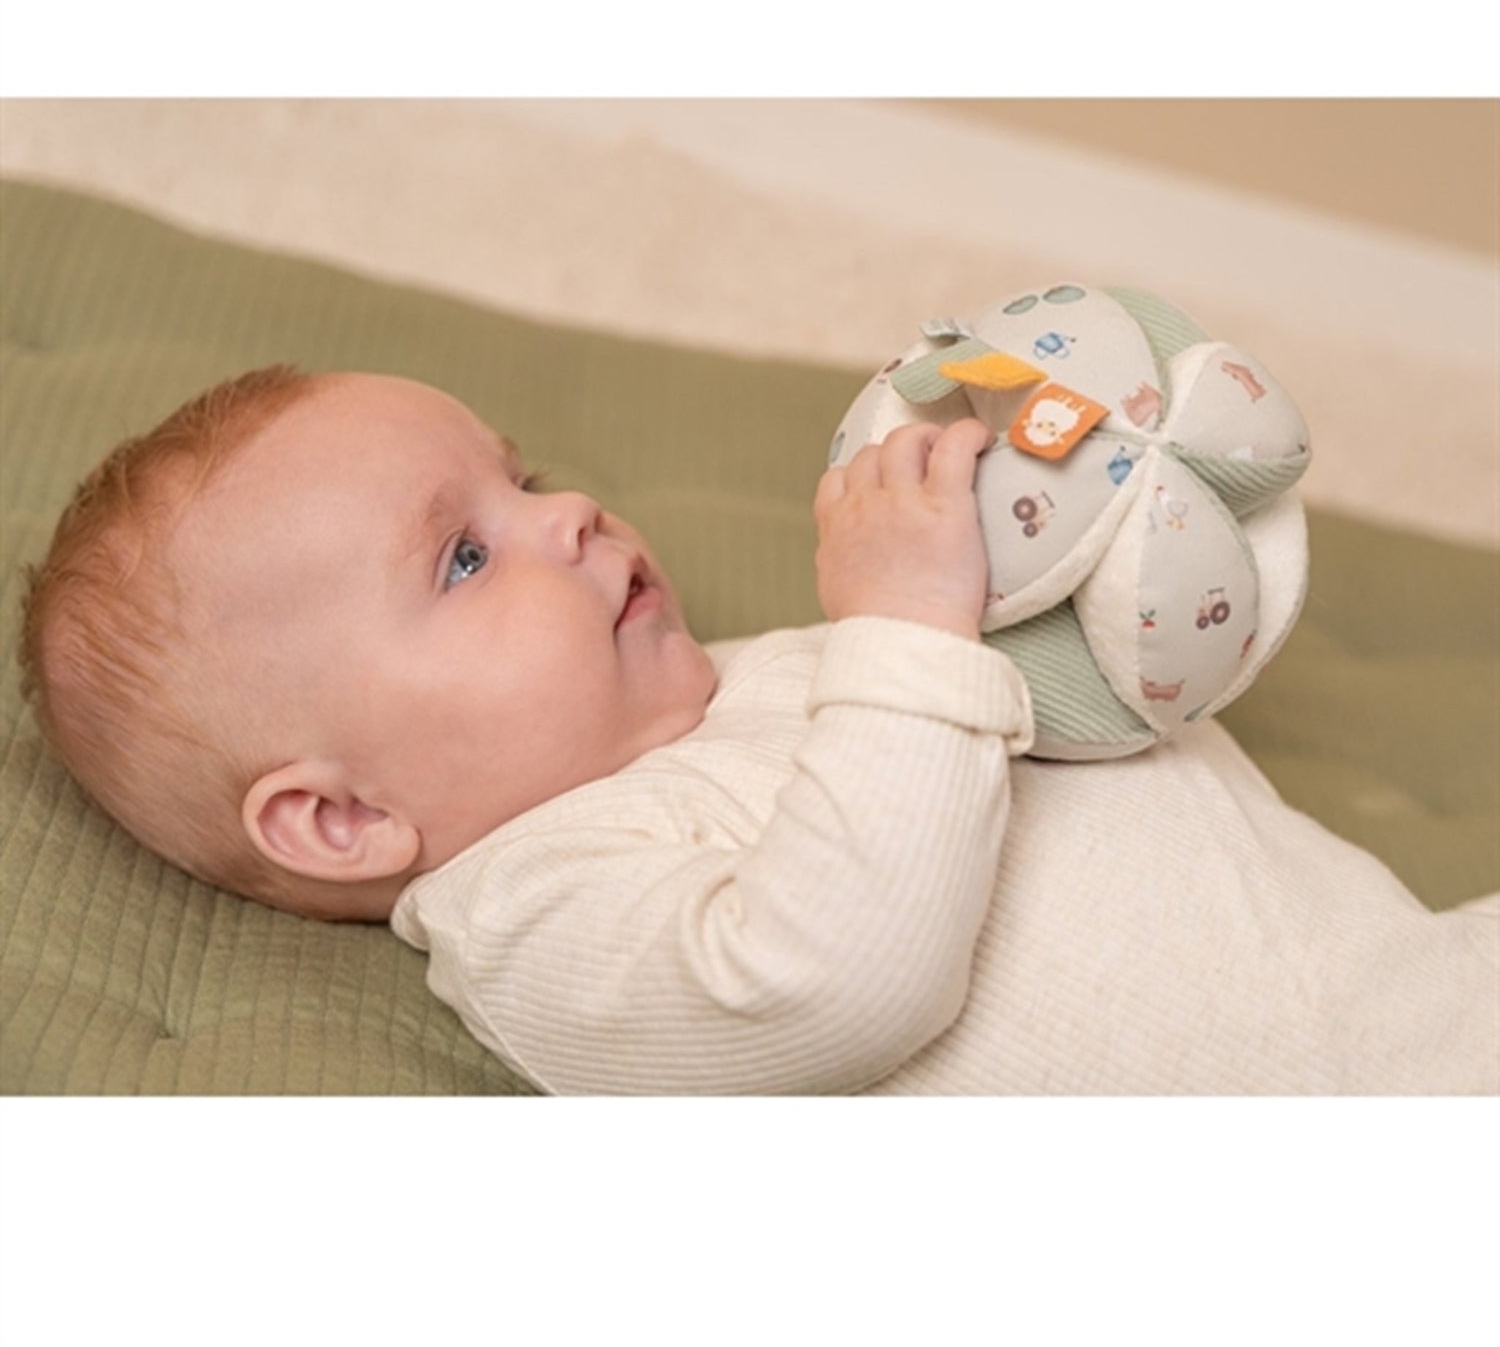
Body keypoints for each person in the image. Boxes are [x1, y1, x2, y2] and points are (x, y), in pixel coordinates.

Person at [20, 367, 1500, 1095]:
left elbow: (1046, 732)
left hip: (1410, 985)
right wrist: (908, 624)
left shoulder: (753, 675)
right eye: (463, 556)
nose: (567, 512)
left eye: (523, 479)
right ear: (345, 821)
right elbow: (828, 980)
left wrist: (1056, 543)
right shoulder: (540, 909)